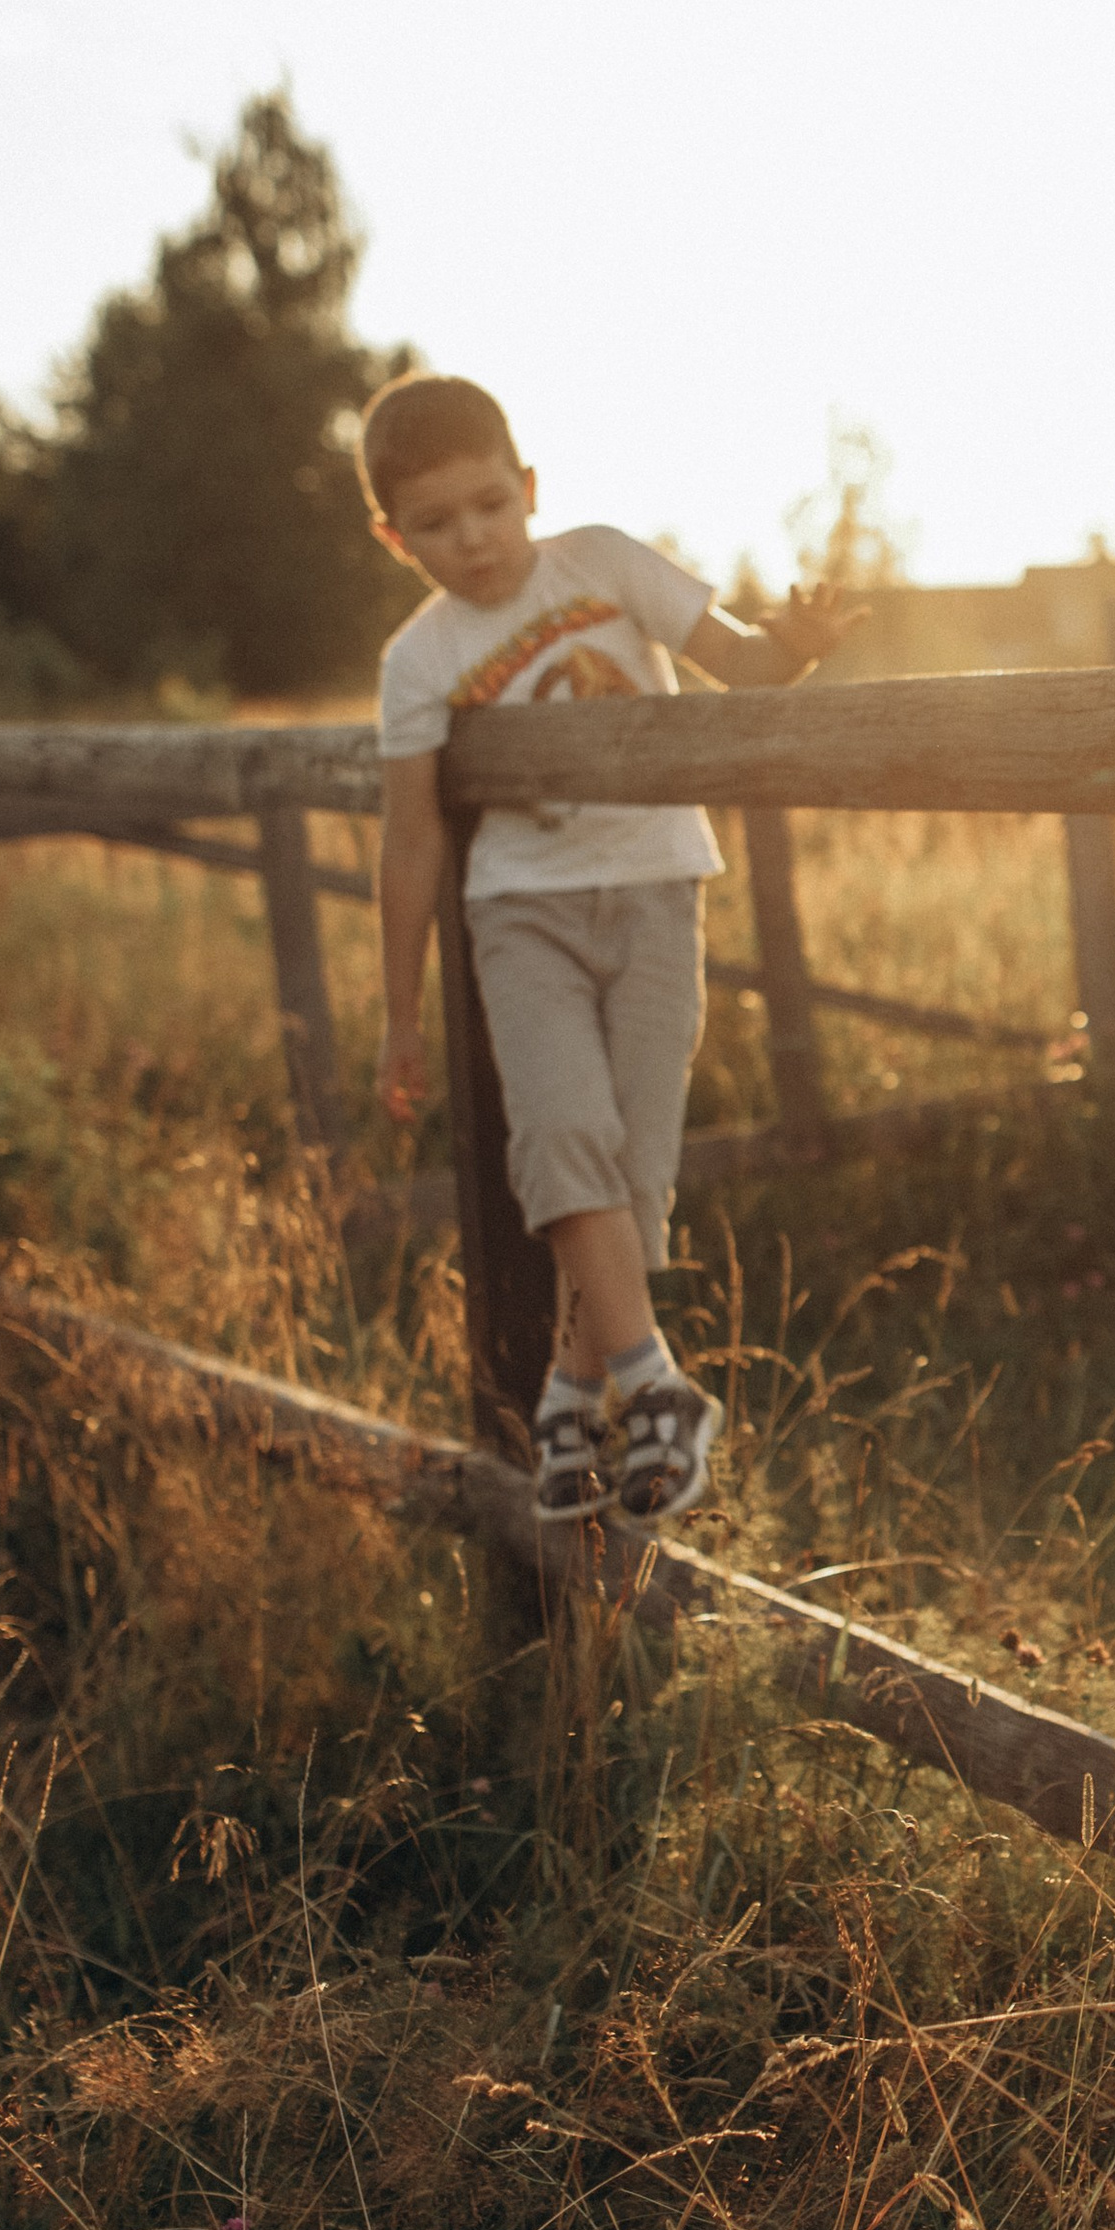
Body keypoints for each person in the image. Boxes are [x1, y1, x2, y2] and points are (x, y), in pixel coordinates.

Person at [364, 371, 860, 1525]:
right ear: (395, 538)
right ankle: (657, 1390)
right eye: (434, 524)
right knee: (563, 1133)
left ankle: (569, 1397)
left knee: (634, 1177)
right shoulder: (420, 658)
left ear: (528, 485)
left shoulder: (604, 563)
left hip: (654, 893)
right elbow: (410, 837)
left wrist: (795, 640)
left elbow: (740, 663)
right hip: (520, 912)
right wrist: (399, 1015)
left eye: (489, 504)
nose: (472, 539)